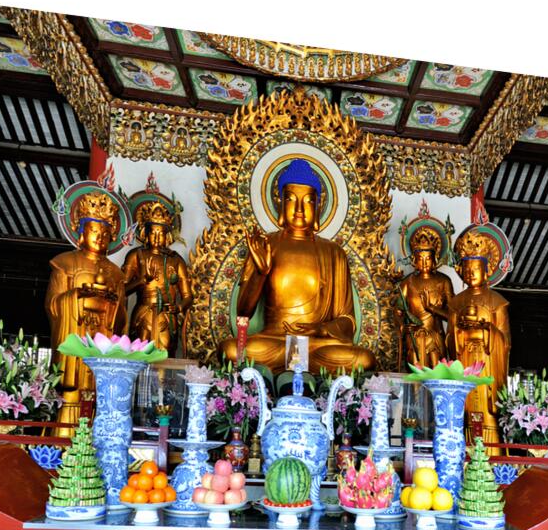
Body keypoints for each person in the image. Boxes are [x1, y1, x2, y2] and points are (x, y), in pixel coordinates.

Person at [219, 158, 374, 373]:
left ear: (318, 206)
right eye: (291, 199)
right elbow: (243, 311)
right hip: (275, 341)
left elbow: (347, 320)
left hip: (317, 345)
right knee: (231, 351)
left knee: (363, 359)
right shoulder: (266, 245)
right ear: (280, 203)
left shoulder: (334, 253)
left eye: (308, 201)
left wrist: (321, 329)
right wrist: (260, 274)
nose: (300, 208)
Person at [45, 191, 127, 429]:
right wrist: (79, 295)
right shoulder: (65, 263)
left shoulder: (116, 274)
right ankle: (63, 441)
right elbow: (53, 305)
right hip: (76, 337)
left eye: (105, 234)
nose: (100, 237)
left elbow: (121, 320)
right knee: (71, 392)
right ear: (81, 233)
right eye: (94, 231)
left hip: (102, 338)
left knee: (102, 395)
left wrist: (111, 303)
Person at [446, 229, 510, 444]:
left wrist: (485, 331)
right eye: (467, 268)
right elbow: (448, 340)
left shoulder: (497, 301)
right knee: (464, 410)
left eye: (476, 268)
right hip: (464, 360)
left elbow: (506, 341)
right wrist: (461, 333)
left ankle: (491, 453)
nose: (471, 273)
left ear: (487, 270)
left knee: (485, 413)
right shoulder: (456, 303)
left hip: (487, 364)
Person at [122, 201, 193, 355]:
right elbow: (121, 291)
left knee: (166, 353)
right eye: (153, 232)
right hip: (143, 312)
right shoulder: (136, 256)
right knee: (139, 353)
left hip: (167, 315)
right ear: (145, 234)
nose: (156, 237)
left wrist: (179, 307)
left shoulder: (176, 259)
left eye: (161, 233)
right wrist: (141, 281)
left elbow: (188, 296)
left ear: (167, 236)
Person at [400, 226, 454, 369]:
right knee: (416, 374)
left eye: (428, 259)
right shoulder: (407, 282)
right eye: (420, 259)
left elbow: (452, 315)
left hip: (435, 335)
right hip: (414, 337)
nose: (424, 263)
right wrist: (402, 326)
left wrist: (432, 309)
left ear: (435, 259)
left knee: (436, 372)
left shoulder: (443, 281)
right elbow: (398, 311)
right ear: (414, 260)